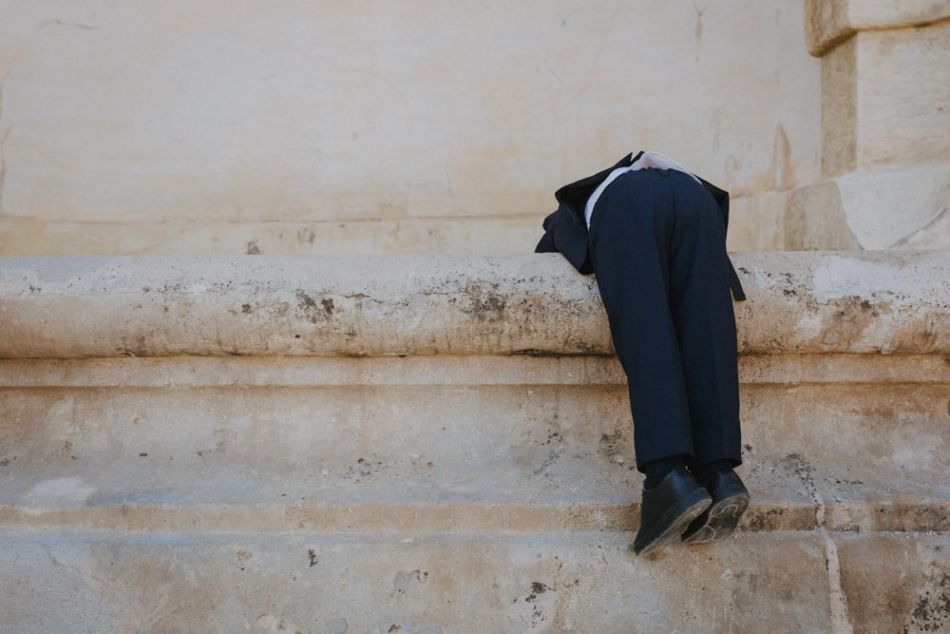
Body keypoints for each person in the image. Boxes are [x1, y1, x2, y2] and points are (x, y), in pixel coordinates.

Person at [535, 150, 751, 557]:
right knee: (707, 317)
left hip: (627, 206)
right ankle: (720, 474)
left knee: (645, 318)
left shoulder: (574, 213)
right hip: (699, 197)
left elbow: (555, 248)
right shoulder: (682, 187)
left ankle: (667, 473)